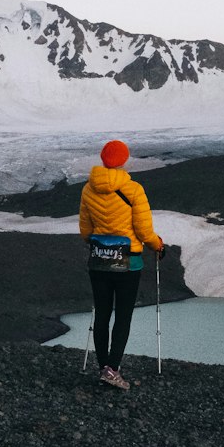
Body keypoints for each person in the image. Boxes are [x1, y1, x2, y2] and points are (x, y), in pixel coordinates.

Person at [79, 139, 164, 390]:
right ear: (124, 160)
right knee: (123, 316)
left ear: (103, 158)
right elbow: (144, 229)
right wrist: (157, 244)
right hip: (129, 264)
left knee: (102, 314)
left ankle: (102, 365)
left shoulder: (88, 189)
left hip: (98, 261)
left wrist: (101, 239)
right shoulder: (134, 190)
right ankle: (112, 370)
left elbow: (85, 230)